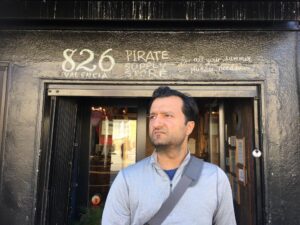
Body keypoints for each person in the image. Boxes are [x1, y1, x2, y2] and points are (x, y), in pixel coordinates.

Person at [102, 86, 236, 225]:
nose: (156, 123)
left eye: (167, 115)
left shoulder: (215, 179)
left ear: (189, 127)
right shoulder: (127, 180)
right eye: (153, 116)